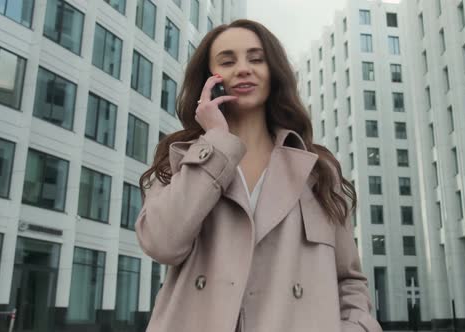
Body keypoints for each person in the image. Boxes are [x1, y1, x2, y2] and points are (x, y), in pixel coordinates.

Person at [135, 19, 382, 332]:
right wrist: (215, 143)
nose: (243, 69)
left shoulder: (317, 171)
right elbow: (162, 244)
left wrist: (356, 327)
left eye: (256, 59)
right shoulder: (179, 161)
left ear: (273, 72)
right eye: (227, 61)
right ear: (210, 79)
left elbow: (349, 279)